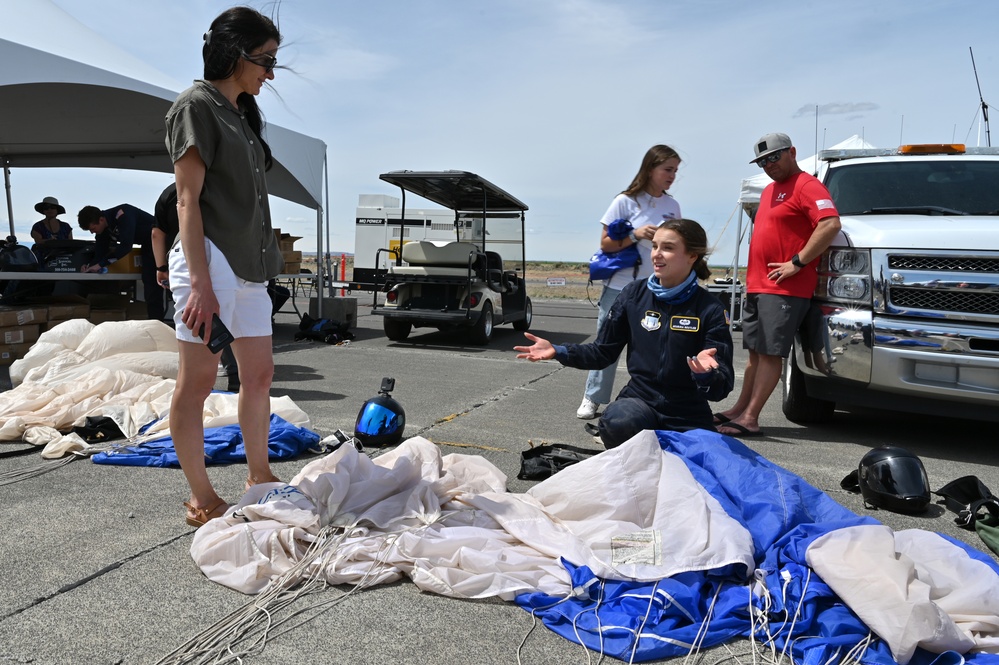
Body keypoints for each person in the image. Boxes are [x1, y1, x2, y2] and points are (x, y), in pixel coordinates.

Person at [164, 7, 285, 527]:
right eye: (266, 60)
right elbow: (186, 202)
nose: (271, 73)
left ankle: (259, 476)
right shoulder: (196, 106)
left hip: (248, 266)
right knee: (198, 383)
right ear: (237, 55)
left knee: (258, 375)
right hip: (209, 264)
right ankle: (200, 495)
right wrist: (201, 288)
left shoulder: (240, 114)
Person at [517, 219, 733, 448]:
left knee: (715, 461)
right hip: (640, 401)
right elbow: (602, 352)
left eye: (668, 248)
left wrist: (706, 375)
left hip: (687, 412)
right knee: (619, 422)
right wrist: (558, 351)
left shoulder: (711, 308)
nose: (657, 254)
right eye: (655, 246)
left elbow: (721, 387)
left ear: (692, 256)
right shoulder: (633, 294)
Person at [714, 133, 841, 438]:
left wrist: (797, 262)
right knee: (756, 353)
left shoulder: (807, 185)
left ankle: (751, 418)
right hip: (759, 286)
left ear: (792, 152)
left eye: (774, 157)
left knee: (770, 354)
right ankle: (739, 410)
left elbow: (830, 223)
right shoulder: (771, 190)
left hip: (784, 288)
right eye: (762, 161)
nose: (768, 165)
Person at [576, 145, 683, 421]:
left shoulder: (673, 206)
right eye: (668, 169)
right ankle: (594, 397)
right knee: (608, 341)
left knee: (655, 345)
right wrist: (635, 234)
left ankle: (650, 398)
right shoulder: (625, 201)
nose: (672, 175)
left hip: (657, 286)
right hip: (621, 285)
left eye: (675, 170)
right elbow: (606, 244)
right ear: (650, 169)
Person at [77, 203, 162, 320]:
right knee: (149, 280)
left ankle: (158, 322)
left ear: (101, 220)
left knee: (151, 281)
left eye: (92, 229)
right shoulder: (103, 229)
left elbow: (126, 247)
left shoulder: (123, 214)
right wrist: (90, 266)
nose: (92, 233)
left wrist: (101, 264)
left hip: (159, 242)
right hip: (147, 245)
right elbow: (100, 253)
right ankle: (155, 320)